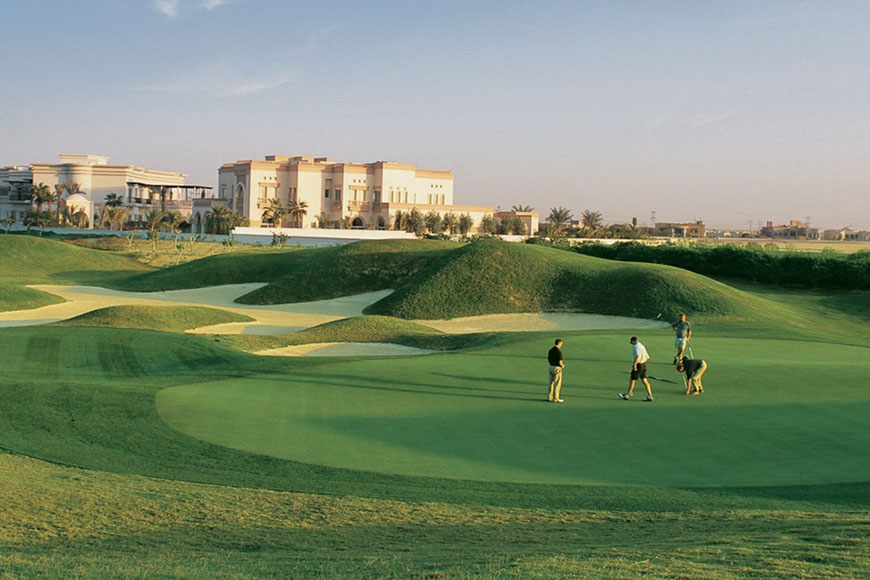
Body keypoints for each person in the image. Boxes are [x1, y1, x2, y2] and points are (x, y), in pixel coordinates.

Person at [619, 336, 653, 401]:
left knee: (632, 381)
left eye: (631, 342)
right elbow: (647, 357)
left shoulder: (636, 346)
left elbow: (638, 356)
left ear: (633, 341)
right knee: (645, 381)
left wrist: (635, 365)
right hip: (643, 365)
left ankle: (627, 395)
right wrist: (642, 363)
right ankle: (650, 395)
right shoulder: (642, 346)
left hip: (638, 365)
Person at [547, 339, 565, 403]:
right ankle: (556, 398)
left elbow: (548, 360)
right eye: (561, 344)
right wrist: (562, 366)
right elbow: (560, 362)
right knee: (557, 384)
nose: (561, 345)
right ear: (559, 343)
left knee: (551, 383)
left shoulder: (550, 350)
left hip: (551, 367)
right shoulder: (558, 352)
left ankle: (550, 397)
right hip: (557, 368)